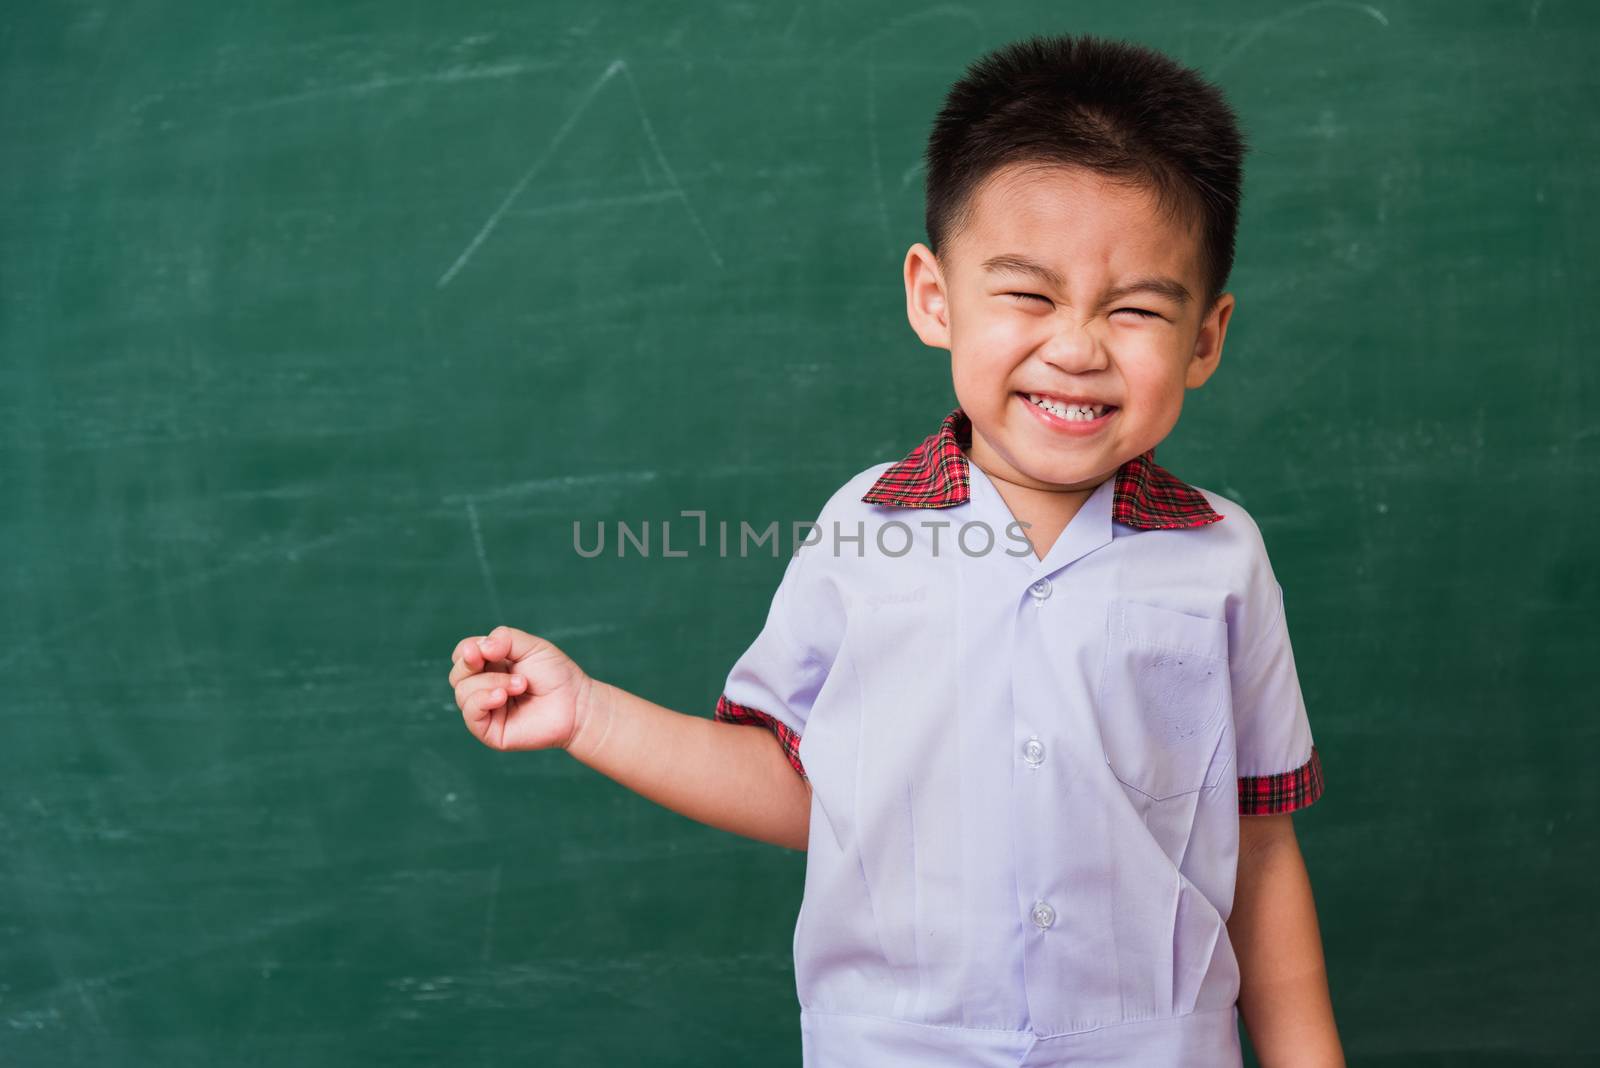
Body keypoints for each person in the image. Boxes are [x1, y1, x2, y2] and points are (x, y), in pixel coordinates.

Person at [448, 32, 1343, 1067]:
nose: (1077, 345)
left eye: (1135, 308)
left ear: (1204, 339)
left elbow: (1261, 849)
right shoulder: (860, 534)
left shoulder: (1220, 558)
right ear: (933, 296)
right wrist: (589, 714)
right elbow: (802, 786)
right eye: (1027, 294)